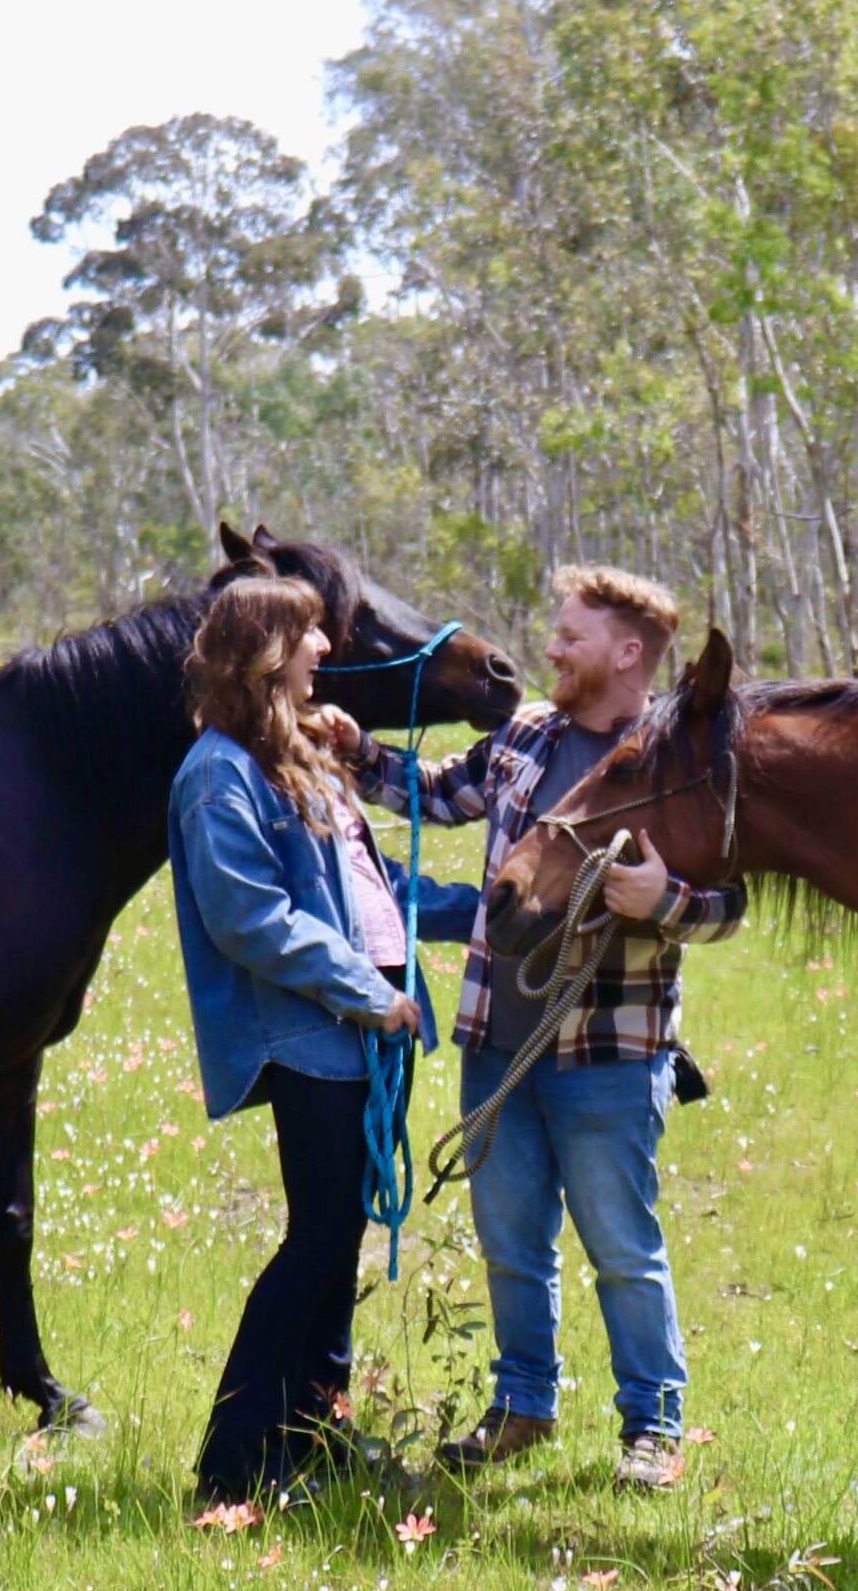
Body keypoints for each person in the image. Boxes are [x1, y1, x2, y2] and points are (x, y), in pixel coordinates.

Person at [326, 567, 745, 1490]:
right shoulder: (524, 735)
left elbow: (733, 903)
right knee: (512, 1241)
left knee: (622, 1249)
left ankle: (653, 1426)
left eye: (571, 635)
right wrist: (359, 751)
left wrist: (664, 898)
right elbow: (437, 792)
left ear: (627, 653)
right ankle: (523, 1405)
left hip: (609, 1054)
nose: (550, 648)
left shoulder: (669, 760)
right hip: (496, 1042)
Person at [167, 574, 474, 1502]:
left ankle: (316, 1431)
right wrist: (361, 995)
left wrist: (492, 912)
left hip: (366, 1024)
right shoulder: (220, 773)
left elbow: (374, 896)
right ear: (267, 651)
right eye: (307, 634)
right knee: (318, 1237)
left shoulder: (299, 757)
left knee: (338, 1234)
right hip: (314, 1029)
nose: (323, 651)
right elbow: (248, 918)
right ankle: (233, 1462)